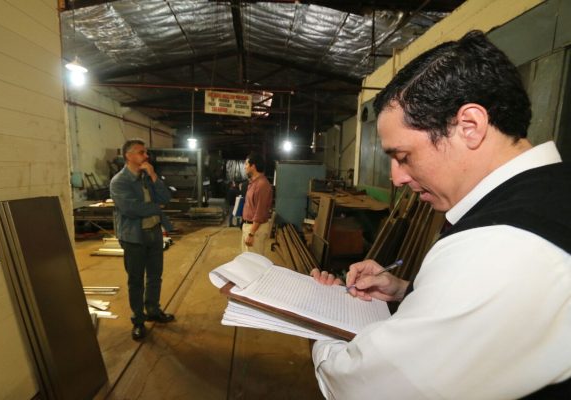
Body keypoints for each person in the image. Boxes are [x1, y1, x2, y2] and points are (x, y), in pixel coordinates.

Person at [310, 30, 571, 399]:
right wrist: (404, 291)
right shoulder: (550, 194)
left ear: (469, 127)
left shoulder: (500, 248)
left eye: (403, 156)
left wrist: (319, 327)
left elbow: (370, 388)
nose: (397, 178)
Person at [110, 139, 176, 341]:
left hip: (154, 233)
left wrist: (154, 176)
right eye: (141, 152)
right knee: (136, 280)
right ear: (128, 156)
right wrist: (157, 208)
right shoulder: (119, 182)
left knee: (155, 276)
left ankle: (153, 310)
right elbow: (131, 209)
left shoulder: (147, 177)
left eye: (145, 152)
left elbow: (165, 198)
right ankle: (138, 320)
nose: (146, 156)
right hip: (134, 237)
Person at [241, 152, 273, 255]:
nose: (245, 167)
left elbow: (260, 212)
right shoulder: (254, 183)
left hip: (255, 229)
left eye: (246, 164)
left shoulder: (262, 185)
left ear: (253, 166)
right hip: (249, 226)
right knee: (247, 259)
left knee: (253, 261)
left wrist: (251, 234)